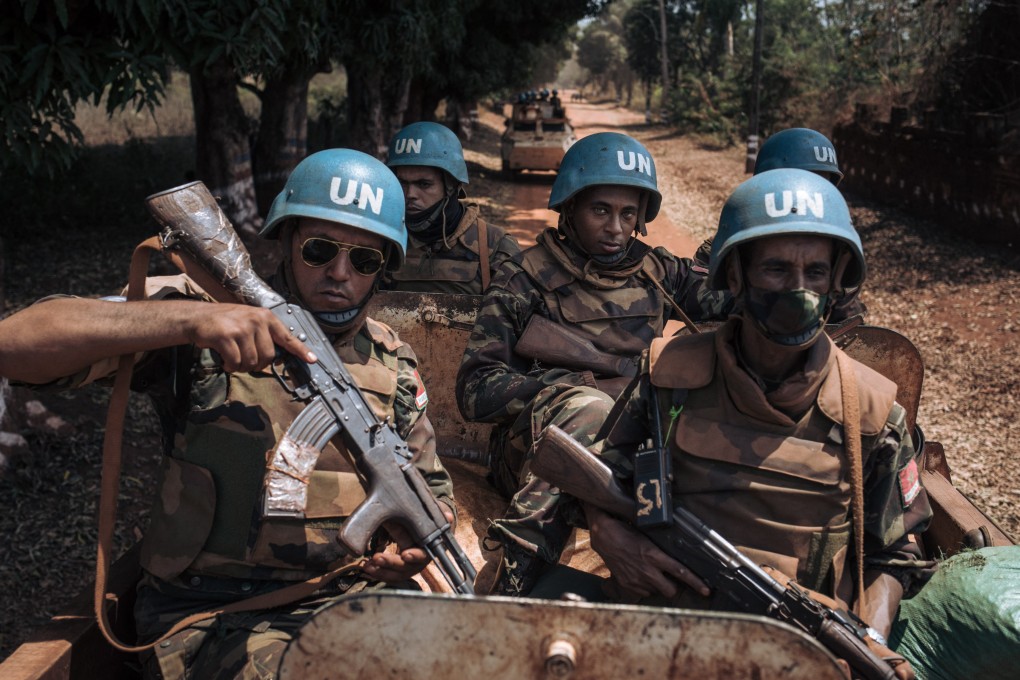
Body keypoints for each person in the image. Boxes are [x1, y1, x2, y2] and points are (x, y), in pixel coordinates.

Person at [0, 149, 457, 679]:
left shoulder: (392, 362)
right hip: (211, 616)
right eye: (319, 249)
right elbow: (15, 343)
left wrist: (409, 548)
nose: (339, 273)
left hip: (345, 600)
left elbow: (430, 492)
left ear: (383, 270)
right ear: (287, 240)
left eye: (364, 261)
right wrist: (189, 321)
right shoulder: (209, 323)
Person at [581, 168, 931, 678]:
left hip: (799, 655)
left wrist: (868, 641)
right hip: (663, 635)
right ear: (736, 275)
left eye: (815, 272)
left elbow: (895, 556)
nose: (799, 291)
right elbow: (594, 479)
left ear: (837, 281)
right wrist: (610, 536)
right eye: (776, 270)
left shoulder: (873, 414)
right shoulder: (669, 375)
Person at [456, 132, 731, 596]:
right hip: (534, 453)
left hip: (632, 450)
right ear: (570, 207)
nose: (615, 228)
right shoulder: (524, 277)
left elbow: (730, 301)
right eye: (600, 210)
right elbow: (475, 390)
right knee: (588, 409)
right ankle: (516, 571)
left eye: (628, 214)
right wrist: (569, 387)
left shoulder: (659, 272)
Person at [694, 127, 865, 321]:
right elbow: (699, 297)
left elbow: (848, 318)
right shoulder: (731, 246)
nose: (810, 194)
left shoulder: (838, 251)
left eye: (822, 185)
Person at [384, 121, 520, 294]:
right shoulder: (384, 241)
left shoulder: (495, 246)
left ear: (451, 186)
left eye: (424, 184)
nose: (410, 194)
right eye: (402, 182)